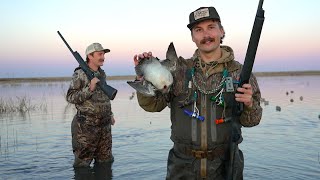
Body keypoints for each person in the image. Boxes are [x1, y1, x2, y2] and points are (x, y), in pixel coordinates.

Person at [133, 7, 262, 179]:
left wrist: (249, 104)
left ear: (221, 31)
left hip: (226, 165)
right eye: (198, 30)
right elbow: (152, 106)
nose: (206, 35)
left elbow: (252, 121)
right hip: (182, 167)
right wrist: (145, 75)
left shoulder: (240, 73)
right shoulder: (177, 71)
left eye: (211, 27)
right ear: (193, 37)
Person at [66, 42, 115, 167]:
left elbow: (104, 97)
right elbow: (71, 97)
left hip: (104, 127)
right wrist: (90, 88)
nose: (103, 56)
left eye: (103, 54)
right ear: (90, 56)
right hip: (86, 128)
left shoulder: (102, 74)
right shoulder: (79, 74)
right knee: (82, 166)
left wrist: (110, 114)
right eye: (100, 54)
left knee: (106, 163)